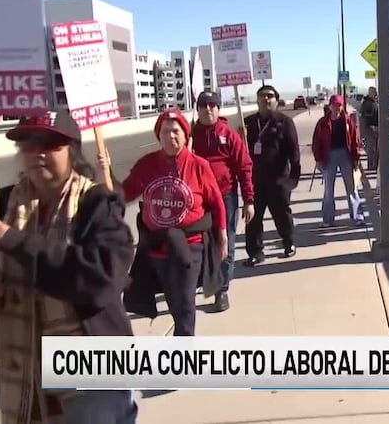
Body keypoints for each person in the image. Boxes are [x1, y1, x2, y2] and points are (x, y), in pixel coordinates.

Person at [0, 111, 138, 423]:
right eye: (28, 145)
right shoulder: (11, 204)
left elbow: (99, 280)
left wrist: (15, 242)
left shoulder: (97, 203)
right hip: (26, 370)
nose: (38, 154)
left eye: (50, 145)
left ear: (71, 150)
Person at [118, 108, 228, 337]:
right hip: (158, 246)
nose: (171, 136)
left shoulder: (198, 165)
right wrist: (106, 176)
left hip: (191, 245)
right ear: (159, 135)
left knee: (186, 302)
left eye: (176, 131)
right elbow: (123, 194)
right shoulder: (146, 164)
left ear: (185, 134)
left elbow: (216, 202)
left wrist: (222, 236)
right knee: (175, 301)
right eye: (165, 131)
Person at [191, 91, 255, 312]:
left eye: (212, 105)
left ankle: (222, 290)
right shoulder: (190, 136)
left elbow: (244, 167)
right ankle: (199, 281)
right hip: (197, 200)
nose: (207, 109)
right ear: (197, 108)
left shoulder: (228, 135)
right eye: (203, 105)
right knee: (196, 244)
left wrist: (249, 200)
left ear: (219, 108)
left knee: (224, 243)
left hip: (225, 196)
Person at [243, 85, 301, 262]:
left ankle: (288, 243)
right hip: (256, 180)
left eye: (270, 96)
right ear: (257, 100)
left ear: (276, 100)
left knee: (282, 215)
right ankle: (255, 253)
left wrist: (293, 179)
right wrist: (240, 135)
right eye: (262, 96)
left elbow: (294, 152)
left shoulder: (284, 122)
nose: (266, 99)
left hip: (279, 180)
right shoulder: (248, 122)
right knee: (253, 219)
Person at [312, 94, 365, 227]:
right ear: (329, 106)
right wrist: (318, 159)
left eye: (339, 105)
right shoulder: (323, 123)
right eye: (334, 105)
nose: (337, 108)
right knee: (329, 189)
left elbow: (355, 140)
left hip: (345, 155)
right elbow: (316, 142)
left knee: (352, 187)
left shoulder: (347, 121)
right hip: (329, 156)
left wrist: (356, 158)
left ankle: (357, 217)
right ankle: (328, 219)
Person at [360, 86, 380, 170]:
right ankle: (371, 166)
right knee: (371, 148)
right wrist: (372, 126)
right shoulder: (366, 103)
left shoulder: (374, 102)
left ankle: (374, 165)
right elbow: (365, 116)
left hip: (376, 127)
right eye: (374, 92)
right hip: (369, 128)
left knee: (376, 148)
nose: (375, 94)